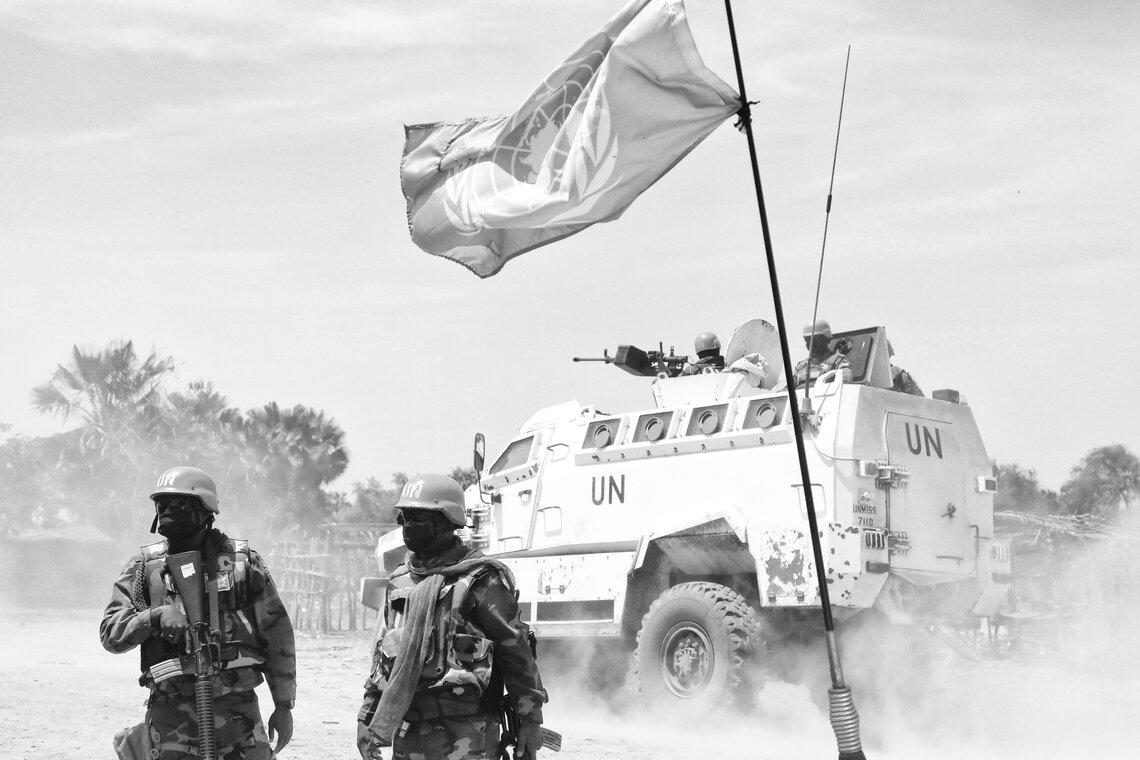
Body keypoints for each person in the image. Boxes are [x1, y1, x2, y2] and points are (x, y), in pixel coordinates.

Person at [101, 466, 296, 760]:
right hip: (171, 718)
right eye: (161, 505)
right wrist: (155, 617)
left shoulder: (242, 565)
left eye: (178, 505)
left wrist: (283, 705)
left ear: (204, 510)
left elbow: (277, 634)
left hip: (237, 715)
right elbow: (110, 633)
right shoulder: (143, 569)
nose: (167, 513)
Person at [357, 474, 547, 760]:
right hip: (409, 735)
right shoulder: (400, 584)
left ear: (447, 521)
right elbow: (382, 663)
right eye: (405, 518)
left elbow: (515, 651)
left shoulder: (481, 579)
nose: (409, 526)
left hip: (470, 736)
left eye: (419, 518)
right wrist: (366, 716)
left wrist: (531, 721)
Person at [792, 319, 852, 388]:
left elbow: (845, 384)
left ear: (826, 339)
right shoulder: (800, 367)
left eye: (814, 339)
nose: (810, 344)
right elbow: (789, 390)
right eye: (807, 340)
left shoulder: (838, 361)